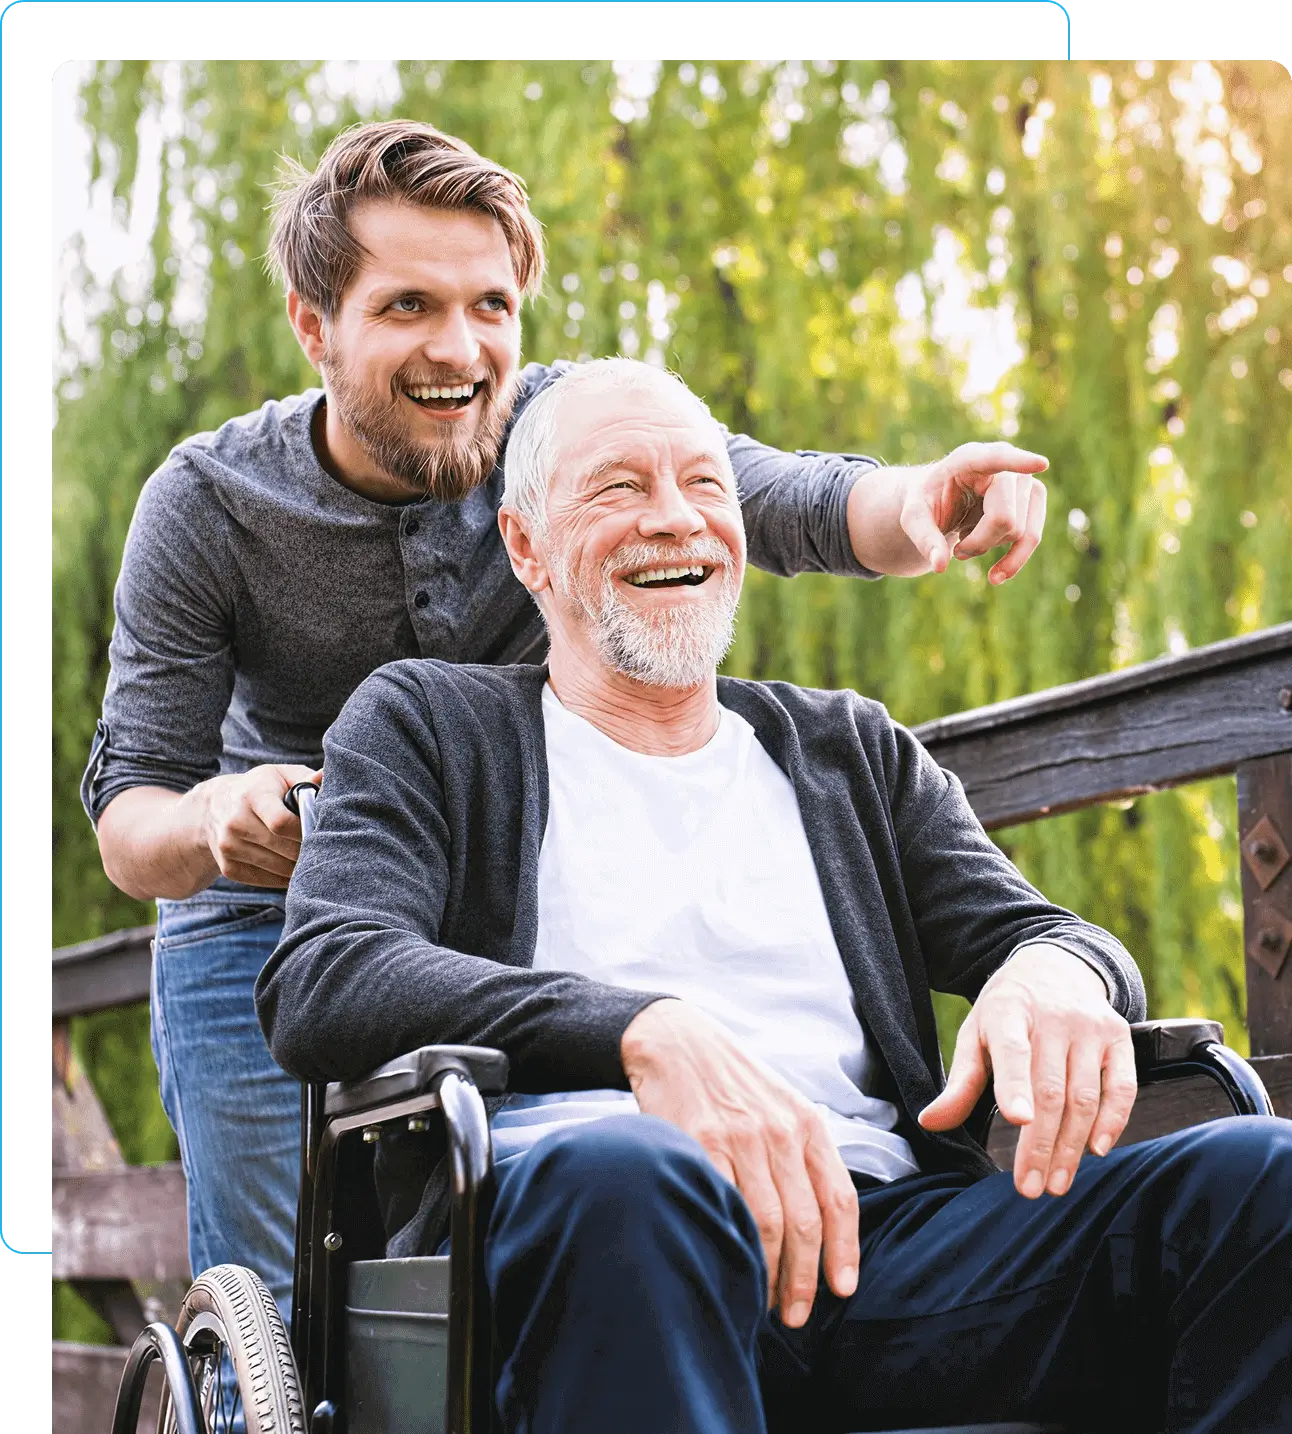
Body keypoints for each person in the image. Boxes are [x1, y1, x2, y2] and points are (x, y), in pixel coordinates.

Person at [82, 119, 1052, 1334]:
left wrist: (925, 501)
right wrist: (218, 822)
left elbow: (783, 498)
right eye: (407, 307)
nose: (459, 348)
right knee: (296, 1306)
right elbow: (131, 824)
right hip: (261, 910)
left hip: (488, 875)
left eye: (491, 306)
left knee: (496, 1259)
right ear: (312, 324)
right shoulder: (209, 504)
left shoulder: (562, 440)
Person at [258, 358, 1291, 1434]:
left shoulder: (844, 749)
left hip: (878, 1242)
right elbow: (326, 977)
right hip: (590, 1236)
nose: (676, 521)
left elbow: (1038, 932)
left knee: (1255, 1182)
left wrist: (1054, 973)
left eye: (706, 486)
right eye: (619, 489)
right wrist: (639, 1033)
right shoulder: (429, 724)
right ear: (526, 547)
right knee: (632, 1177)